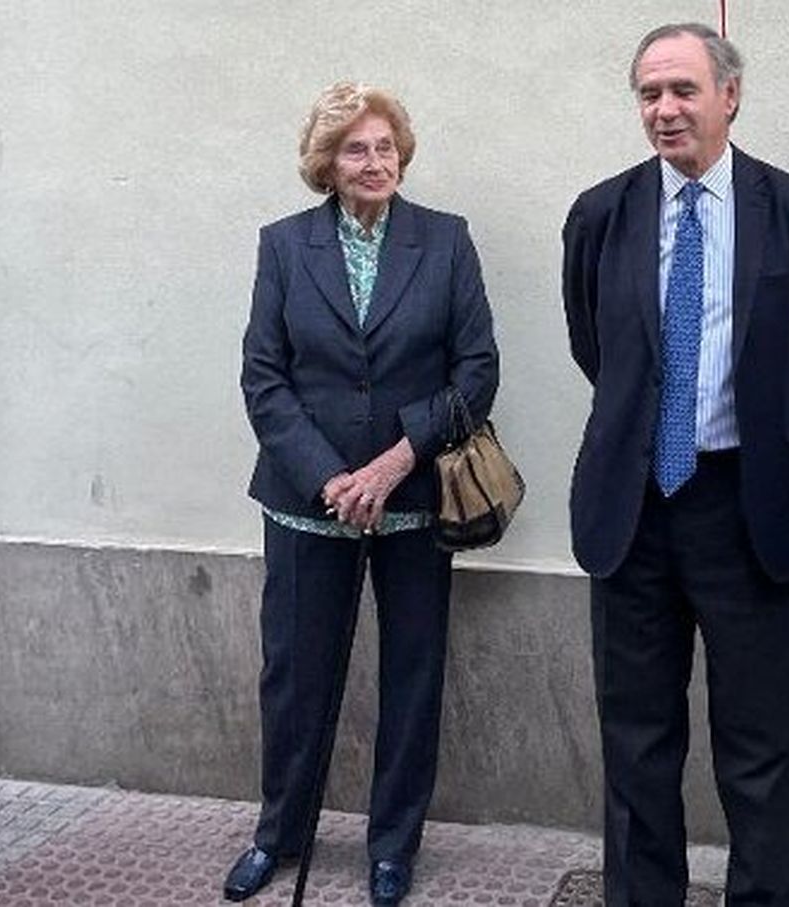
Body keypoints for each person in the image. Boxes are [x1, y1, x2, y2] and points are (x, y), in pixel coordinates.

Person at [562, 22, 789, 906]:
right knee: (637, 744)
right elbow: (595, 347)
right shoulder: (600, 214)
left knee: (761, 747)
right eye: (649, 93)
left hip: (746, 506)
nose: (665, 109)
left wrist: (748, 419)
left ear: (730, 95)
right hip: (634, 507)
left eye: (683, 90)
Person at [226, 81, 498, 906]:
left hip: (414, 499)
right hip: (308, 504)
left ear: (401, 154)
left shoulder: (445, 242)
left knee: (412, 677)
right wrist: (328, 476)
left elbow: (476, 372)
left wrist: (390, 464)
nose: (374, 161)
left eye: (385, 146)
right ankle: (279, 832)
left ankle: (392, 846)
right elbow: (264, 377)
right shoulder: (283, 246)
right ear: (327, 163)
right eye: (355, 148)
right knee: (295, 676)